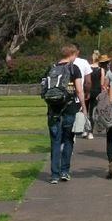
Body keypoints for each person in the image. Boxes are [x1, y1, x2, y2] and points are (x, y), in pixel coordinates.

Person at [43, 44, 87, 184]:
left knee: (55, 142)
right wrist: (84, 107)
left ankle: (54, 175)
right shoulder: (74, 69)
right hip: (70, 108)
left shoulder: (51, 68)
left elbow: (44, 89)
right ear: (72, 54)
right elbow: (79, 90)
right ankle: (64, 172)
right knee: (68, 140)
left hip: (53, 109)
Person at [86, 50, 105, 140]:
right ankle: (90, 132)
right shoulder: (101, 70)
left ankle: (84, 129)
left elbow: (86, 81)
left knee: (85, 110)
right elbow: (102, 84)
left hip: (87, 91)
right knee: (93, 111)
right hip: (96, 92)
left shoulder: (88, 68)